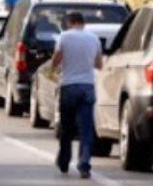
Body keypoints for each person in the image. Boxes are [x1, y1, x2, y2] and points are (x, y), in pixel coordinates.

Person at [51, 11, 103, 180]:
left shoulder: (64, 37)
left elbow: (57, 58)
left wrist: (53, 68)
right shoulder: (94, 38)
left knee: (66, 128)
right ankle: (84, 165)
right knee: (86, 129)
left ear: (70, 22)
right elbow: (99, 64)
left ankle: (64, 161)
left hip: (68, 86)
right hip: (87, 86)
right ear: (83, 22)